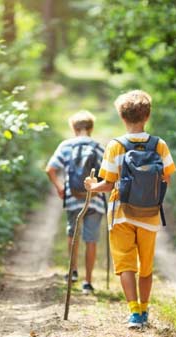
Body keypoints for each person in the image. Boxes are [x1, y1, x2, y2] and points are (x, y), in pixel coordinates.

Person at [84, 90, 176, 328]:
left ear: (122, 117)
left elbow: (108, 184)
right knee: (145, 266)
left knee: (126, 264)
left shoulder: (115, 146)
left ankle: (134, 312)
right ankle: (145, 310)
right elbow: (167, 179)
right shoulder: (160, 145)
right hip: (150, 215)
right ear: (147, 116)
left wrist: (92, 187)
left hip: (121, 213)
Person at [46, 110, 105, 295]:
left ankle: (72, 272)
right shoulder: (98, 147)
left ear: (74, 128)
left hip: (72, 198)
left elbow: (50, 169)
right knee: (92, 239)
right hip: (94, 199)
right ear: (91, 128)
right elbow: (108, 174)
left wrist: (59, 187)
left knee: (73, 232)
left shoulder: (66, 146)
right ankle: (87, 282)